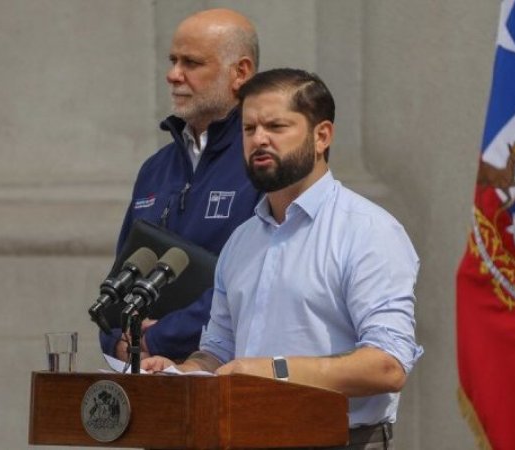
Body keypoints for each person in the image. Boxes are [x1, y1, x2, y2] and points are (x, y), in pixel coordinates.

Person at [142, 68, 423, 449]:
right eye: (249, 129)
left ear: (322, 136)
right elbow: (219, 353)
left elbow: (388, 365)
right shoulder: (241, 240)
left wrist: (274, 370)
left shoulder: (368, 230)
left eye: (276, 126)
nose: (259, 139)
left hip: (340, 441)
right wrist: (181, 372)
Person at [99, 9, 261, 361]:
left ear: (241, 73)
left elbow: (254, 281)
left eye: (191, 63)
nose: (173, 75)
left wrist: (159, 339)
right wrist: (115, 337)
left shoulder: (262, 164)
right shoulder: (155, 169)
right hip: (144, 370)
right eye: (173, 61)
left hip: (222, 372)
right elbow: (123, 271)